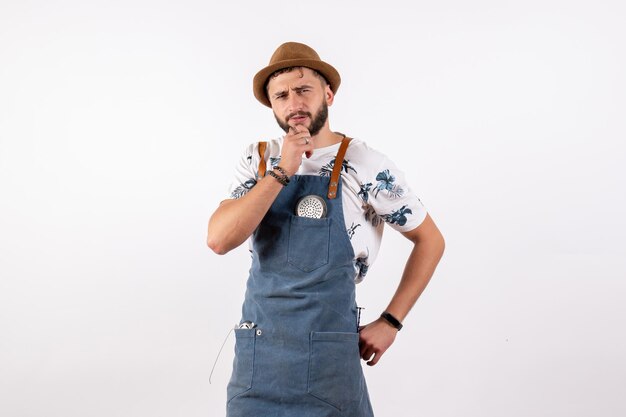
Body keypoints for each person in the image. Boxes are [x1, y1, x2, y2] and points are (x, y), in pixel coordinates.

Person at [207, 41, 445, 417]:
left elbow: (429, 239)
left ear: (328, 94)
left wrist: (392, 321)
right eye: (281, 95)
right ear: (272, 105)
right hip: (259, 359)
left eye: (303, 90)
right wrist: (282, 169)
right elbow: (220, 239)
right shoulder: (258, 160)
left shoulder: (364, 163)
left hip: (329, 364)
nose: (293, 103)